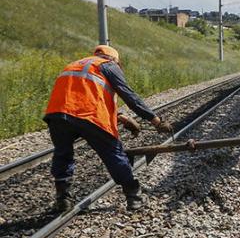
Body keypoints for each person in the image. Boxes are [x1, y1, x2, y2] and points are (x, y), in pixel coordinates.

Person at [44, 45, 173, 212]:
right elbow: (130, 96)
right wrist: (156, 121)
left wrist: (121, 117)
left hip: (57, 114)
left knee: (63, 154)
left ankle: (63, 199)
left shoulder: (76, 65)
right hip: (90, 115)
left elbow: (82, 96)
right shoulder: (108, 65)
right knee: (113, 153)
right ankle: (134, 196)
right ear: (114, 59)